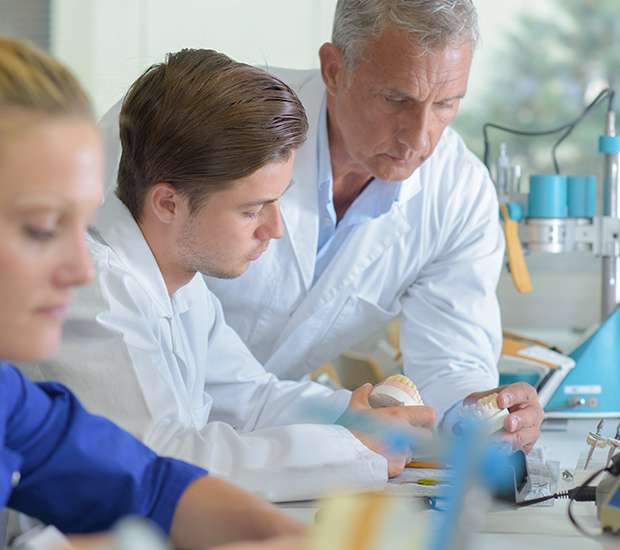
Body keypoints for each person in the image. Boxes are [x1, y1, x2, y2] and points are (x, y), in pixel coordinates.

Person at [99, 0, 543, 450]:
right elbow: (99, 264)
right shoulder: (198, 124)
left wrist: (482, 412)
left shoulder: (458, 190)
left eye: (446, 104)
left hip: (253, 430)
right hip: (139, 426)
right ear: (334, 69)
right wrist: (342, 444)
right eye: (396, 100)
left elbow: (451, 360)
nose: (420, 137)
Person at [22, 47, 436, 503]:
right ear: (168, 203)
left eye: (278, 201)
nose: (275, 229)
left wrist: (359, 418)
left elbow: (251, 399)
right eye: (252, 210)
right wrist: (349, 450)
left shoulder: (181, 283)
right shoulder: (93, 290)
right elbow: (164, 458)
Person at [0, 35, 313, 550]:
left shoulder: (12, 402)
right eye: (41, 228)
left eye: (80, 222)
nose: (80, 268)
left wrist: (295, 537)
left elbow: (147, 483)